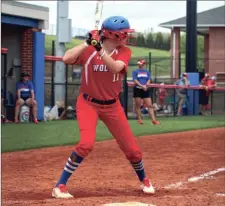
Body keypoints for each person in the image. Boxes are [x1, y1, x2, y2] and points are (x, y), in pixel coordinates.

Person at [52, 16, 155, 199]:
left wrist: (99, 48)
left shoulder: (124, 51)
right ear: (112, 35)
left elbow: (115, 67)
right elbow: (66, 58)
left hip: (112, 106)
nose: (126, 37)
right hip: (88, 104)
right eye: (124, 34)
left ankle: (144, 180)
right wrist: (86, 43)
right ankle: (60, 186)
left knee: (132, 150)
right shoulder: (89, 50)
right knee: (86, 144)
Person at [132, 60, 160, 125]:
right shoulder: (135, 71)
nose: (142, 65)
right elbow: (135, 80)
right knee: (138, 105)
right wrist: (142, 86)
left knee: (149, 105)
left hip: (145, 89)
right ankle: (140, 119)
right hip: (138, 89)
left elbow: (149, 79)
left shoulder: (147, 72)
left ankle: (154, 120)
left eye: (143, 63)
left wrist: (146, 86)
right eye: (141, 63)